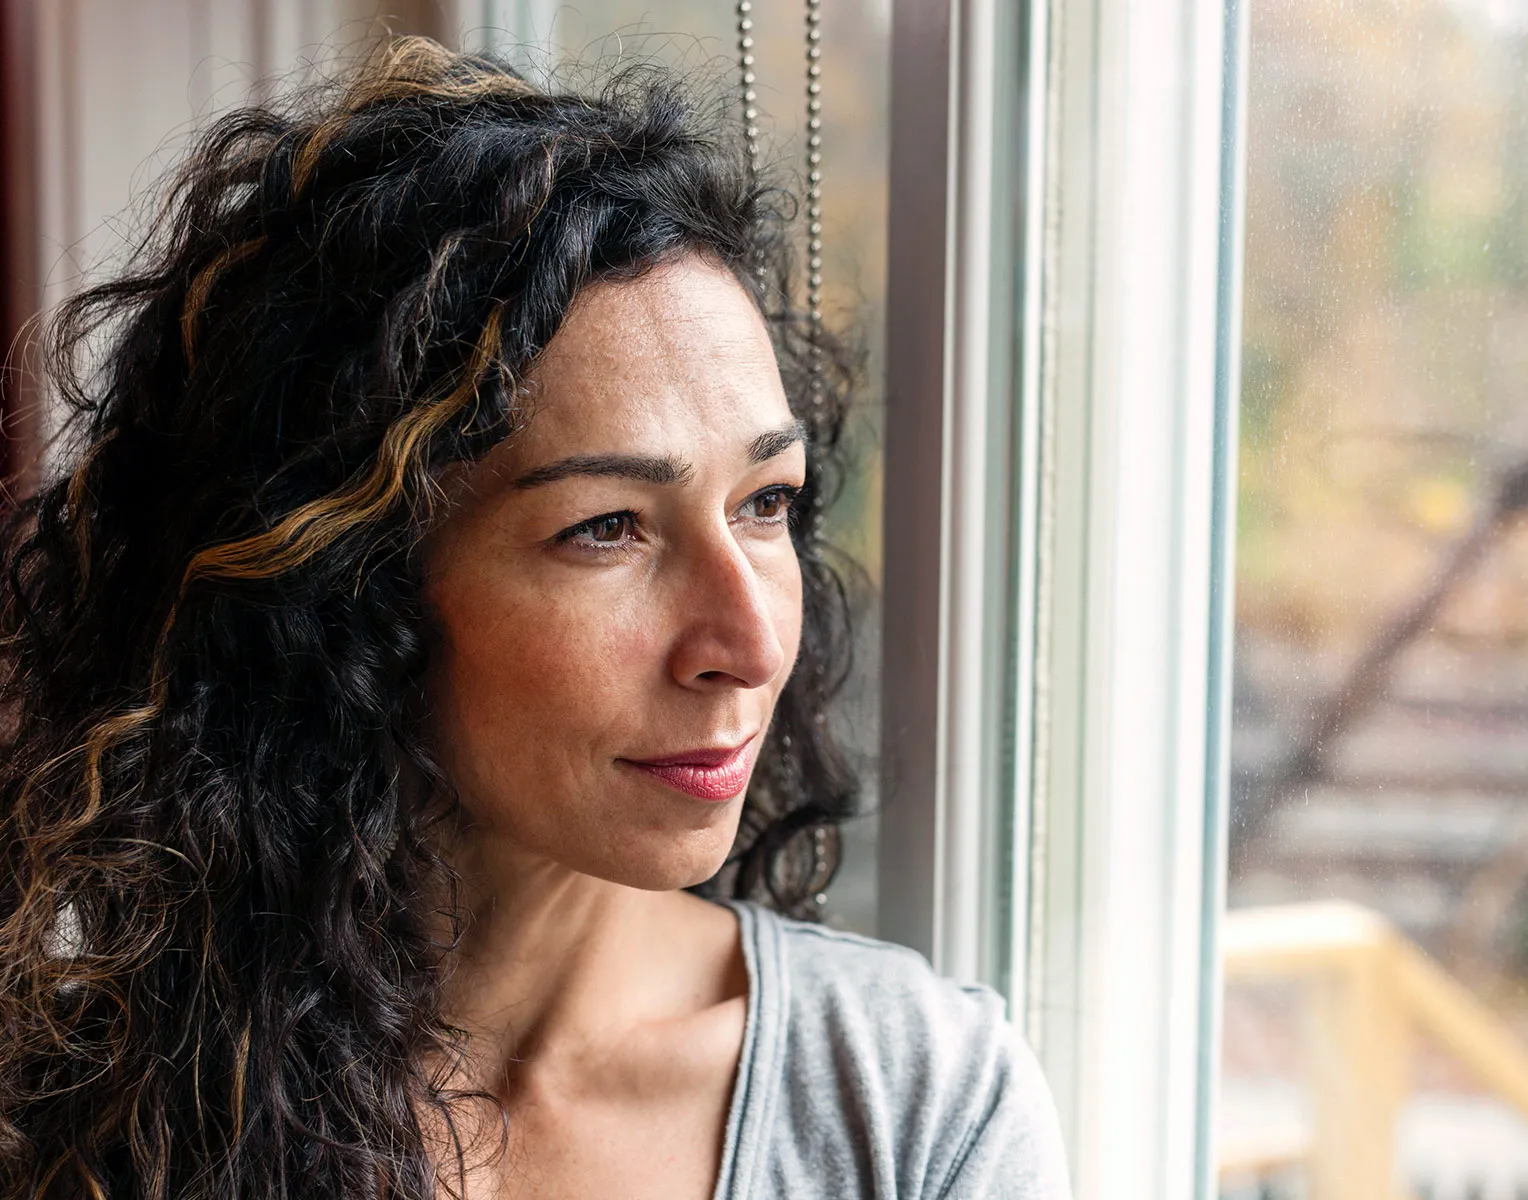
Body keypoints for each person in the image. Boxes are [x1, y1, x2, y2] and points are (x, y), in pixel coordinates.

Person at [0, 38, 1068, 1200]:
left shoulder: (919, 1109)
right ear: (352, 595)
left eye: (766, 504)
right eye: (607, 527)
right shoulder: (84, 1121)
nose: (751, 645)